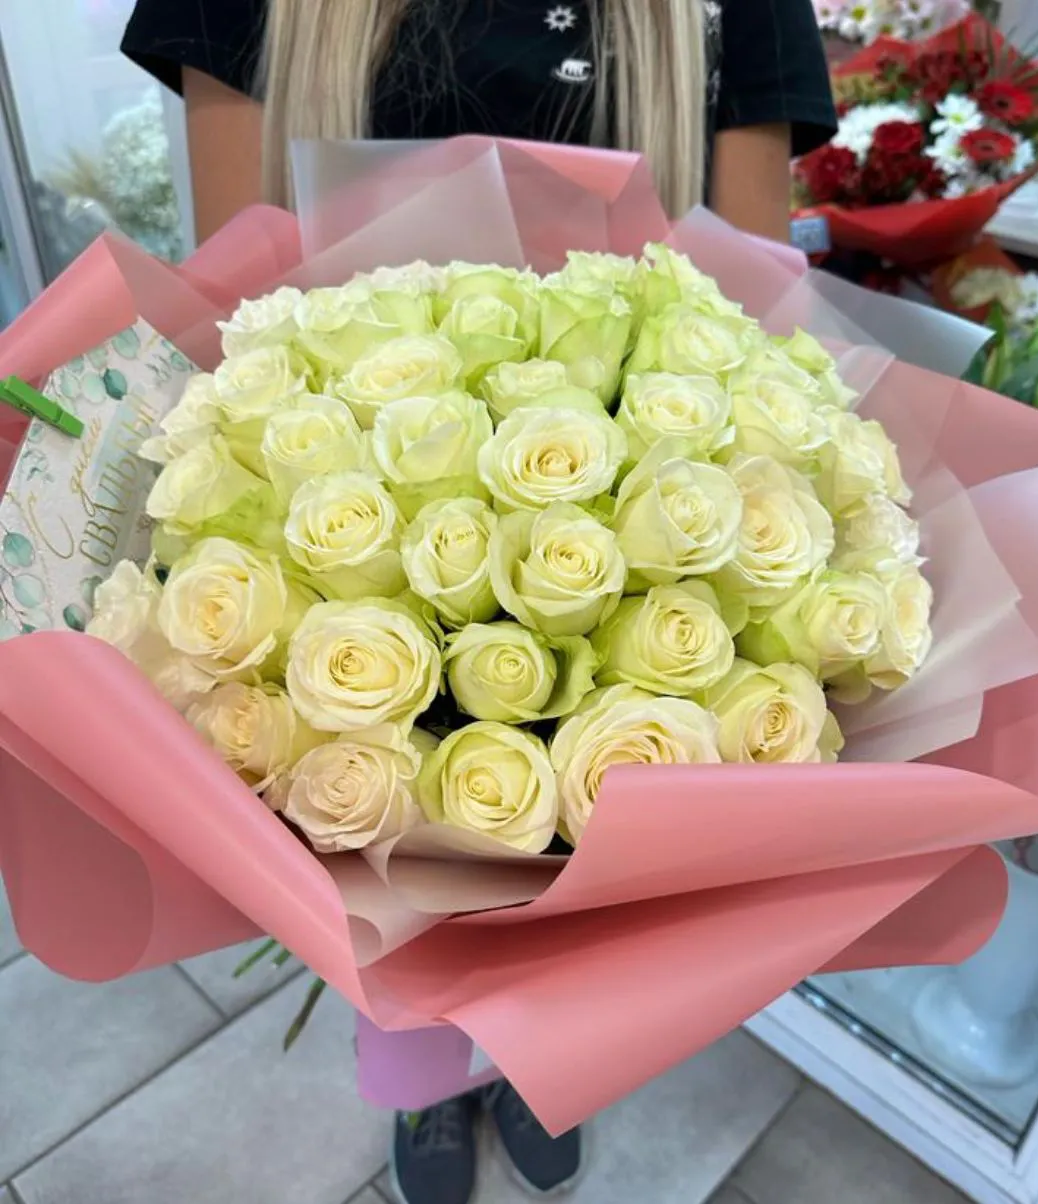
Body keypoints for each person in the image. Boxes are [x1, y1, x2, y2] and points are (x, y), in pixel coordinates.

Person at [120, 3, 836, 1201]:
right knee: (386, 821)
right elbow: (239, 307)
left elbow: (742, 327)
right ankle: (429, 1077)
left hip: (627, 563)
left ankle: (520, 1065)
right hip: (361, 543)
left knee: (571, 849)